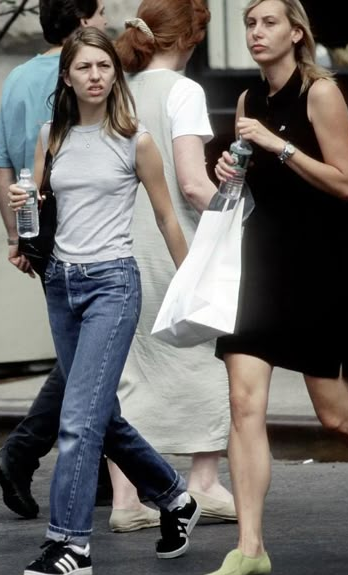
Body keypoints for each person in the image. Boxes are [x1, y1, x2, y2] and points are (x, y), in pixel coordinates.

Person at [8, 27, 200, 575]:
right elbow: (40, 207)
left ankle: (70, 543)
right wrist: (23, 216)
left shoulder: (135, 140)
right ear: (66, 75)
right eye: (85, 67)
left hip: (113, 287)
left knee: (77, 420)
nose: (96, 76)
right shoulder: (51, 136)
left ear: (115, 74)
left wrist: (190, 284)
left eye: (105, 67)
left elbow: (167, 217)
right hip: (60, 286)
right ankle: (174, 497)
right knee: (99, 414)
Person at [198, 1, 348, 575]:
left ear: (296, 32)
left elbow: (345, 183)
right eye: (249, 23)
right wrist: (231, 170)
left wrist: (276, 144)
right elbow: (253, 181)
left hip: (318, 271)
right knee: (244, 406)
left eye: (268, 22)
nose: (256, 33)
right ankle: (249, 547)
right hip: (258, 267)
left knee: (339, 418)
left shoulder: (321, 93)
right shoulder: (248, 102)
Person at [105, 0, 236, 535]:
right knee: (205, 351)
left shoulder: (120, 90)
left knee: (131, 370)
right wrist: (243, 216)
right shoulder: (186, 91)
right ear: (189, 36)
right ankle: (203, 482)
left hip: (120, 243)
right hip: (175, 242)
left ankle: (126, 498)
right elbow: (191, 182)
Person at [0, 0, 109, 520]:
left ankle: (93, 472)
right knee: (88, 356)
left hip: (42, 232)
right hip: (83, 230)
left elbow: (1, 165)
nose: (105, 22)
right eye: (99, 12)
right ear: (82, 20)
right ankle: (22, 452)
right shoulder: (89, 72)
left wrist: (16, 236)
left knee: (83, 350)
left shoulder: (15, 78)